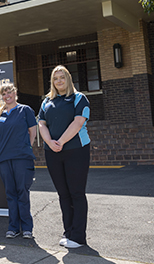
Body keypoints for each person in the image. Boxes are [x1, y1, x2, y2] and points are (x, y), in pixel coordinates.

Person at [38, 65, 91, 249]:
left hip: (76, 151)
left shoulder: (79, 98)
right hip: (52, 152)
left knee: (76, 193)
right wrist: (50, 142)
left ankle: (78, 236)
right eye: (55, 78)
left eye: (62, 77)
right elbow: (42, 124)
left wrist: (59, 141)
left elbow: (78, 123)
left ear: (68, 79)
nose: (59, 81)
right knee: (63, 194)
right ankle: (68, 232)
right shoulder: (47, 101)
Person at [0, 83, 37, 240]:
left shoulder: (25, 110)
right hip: (4, 158)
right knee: (10, 194)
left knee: (22, 192)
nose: (7, 95)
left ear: (15, 93)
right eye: (4, 93)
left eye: (9, 92)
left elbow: (33, 131)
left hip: (22, 158)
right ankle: (13, 227)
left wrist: (26, 147)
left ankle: (27, 228)